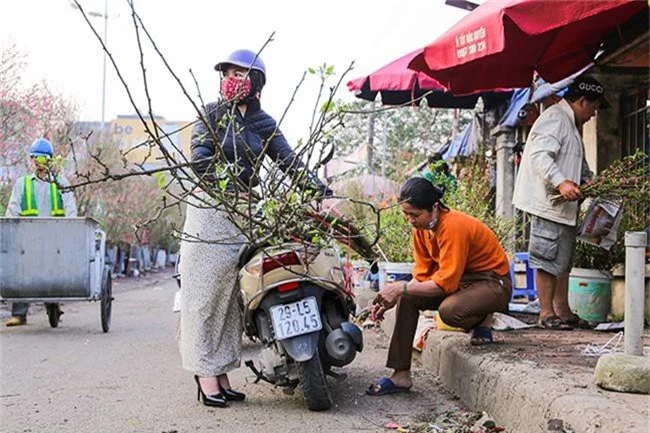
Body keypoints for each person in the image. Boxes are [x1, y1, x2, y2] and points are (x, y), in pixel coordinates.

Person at [179, 49, 330, 408]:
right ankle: (204, 374)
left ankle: (222, 372)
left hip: (244, 214)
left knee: (234, 296)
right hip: (209, 210)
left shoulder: (264, 124)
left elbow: (289, 162)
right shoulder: (211, 114)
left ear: (256, 82)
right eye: (228, 73)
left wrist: (321, 193)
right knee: (203, 294)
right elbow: (199, 158)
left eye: (240, 74)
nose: (232, 79)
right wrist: (225, 183)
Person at [366, 177, 512, 396]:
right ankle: (401, 374)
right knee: (407, 298)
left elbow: (445, 283)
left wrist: (400, 287)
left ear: (434, 207)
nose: (410, 220)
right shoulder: (422, 230)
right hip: (462, 283)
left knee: (449, 311)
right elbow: (422, 276)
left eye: (415, 215)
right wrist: (393, 297)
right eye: (406, 214)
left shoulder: (453, 227)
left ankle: (484, 316)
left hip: (492, 283)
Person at [512, 76, 608, 330]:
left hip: (564, 206)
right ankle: (546, 313)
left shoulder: (570, 124)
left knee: (562, 259)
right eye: (593, 108)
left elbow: (576, 162)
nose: (593, 114)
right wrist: (562, 182)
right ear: (582, 101)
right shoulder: (555, 118)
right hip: (549, 202)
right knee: (547, 256)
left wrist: (590, 182)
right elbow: (540, 156)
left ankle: (562, 310)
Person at [4, 138, 78, 327]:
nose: (38, 161)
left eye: (42, 157)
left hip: (54, 237)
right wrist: (9, 227)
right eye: (35, 157)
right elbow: (13, 209)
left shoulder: (61, 182)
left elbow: (70, 208)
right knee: (23, 272)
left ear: (50, 160)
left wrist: (70, 227)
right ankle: (19, 314)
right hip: (28, 236)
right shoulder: (23, 183)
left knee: (51, 272)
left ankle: (53, 307)